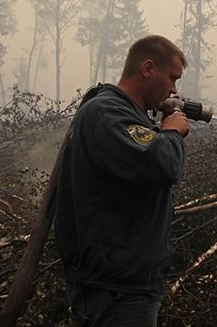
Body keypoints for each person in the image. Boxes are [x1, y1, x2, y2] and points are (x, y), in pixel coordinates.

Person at [55, 35, 190, 326]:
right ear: (148, 68)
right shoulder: (107, 114)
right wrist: (171, 131)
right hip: (115, 292)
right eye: (172, 78)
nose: (174, 90)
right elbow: (162, 165)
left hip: (127, 288)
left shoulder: (127, 116)